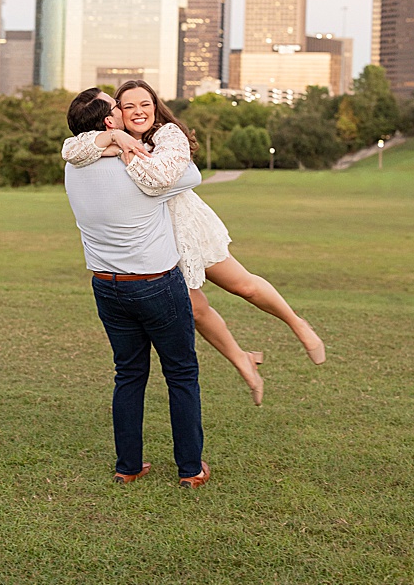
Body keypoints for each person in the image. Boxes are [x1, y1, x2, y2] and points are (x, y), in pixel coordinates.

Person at [63, 81, 325, 406]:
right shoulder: (107, 139)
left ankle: (298, 324)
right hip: (154, 242)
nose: (137, 112)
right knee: (198, 312)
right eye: (127, 106)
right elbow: (71, 148)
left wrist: (125, 151)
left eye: (145, 104)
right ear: (114, 116)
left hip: (186, 226)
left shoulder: (167, 134)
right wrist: (118, 142)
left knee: (244, 286)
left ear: (156, 106)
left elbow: (170, 178)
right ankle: (242, 360)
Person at [64, 88, 210, 487]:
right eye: (118, 108)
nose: (127, 112)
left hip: (106, 286)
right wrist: (131, 148)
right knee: (181, 374)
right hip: (155, 285)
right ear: (111, 122)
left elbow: (76, 147)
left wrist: (112, 145)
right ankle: (190, 470)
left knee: (128, 375)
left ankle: (128, 466)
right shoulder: (141, 171)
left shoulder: (72, 166)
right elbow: (193, 174)